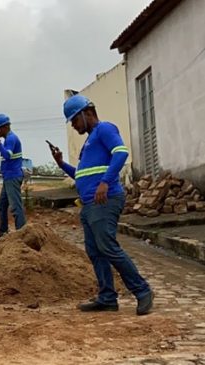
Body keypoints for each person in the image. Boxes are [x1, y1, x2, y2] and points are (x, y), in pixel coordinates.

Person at [51, 94, 153, 315]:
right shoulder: (89, 141)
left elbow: (121, 152)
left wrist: (105, 182)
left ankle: (143, 291)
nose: (74, 126)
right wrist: (61, 164)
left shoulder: (105, 129)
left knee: (107, 246)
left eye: (75, 120)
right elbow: (82, 175)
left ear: (87, 114)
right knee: (95, 251)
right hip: (89, 204)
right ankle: (107, 297)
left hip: (105, 200)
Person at [0, 113, 27, 240]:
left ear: (4, 127)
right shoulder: (8, 139)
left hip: (13, 177)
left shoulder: (11, 139)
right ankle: (3, 232)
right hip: (8, 178)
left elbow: (7, 156)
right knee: (1, 205)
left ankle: (22, 234)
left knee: (16, 206)